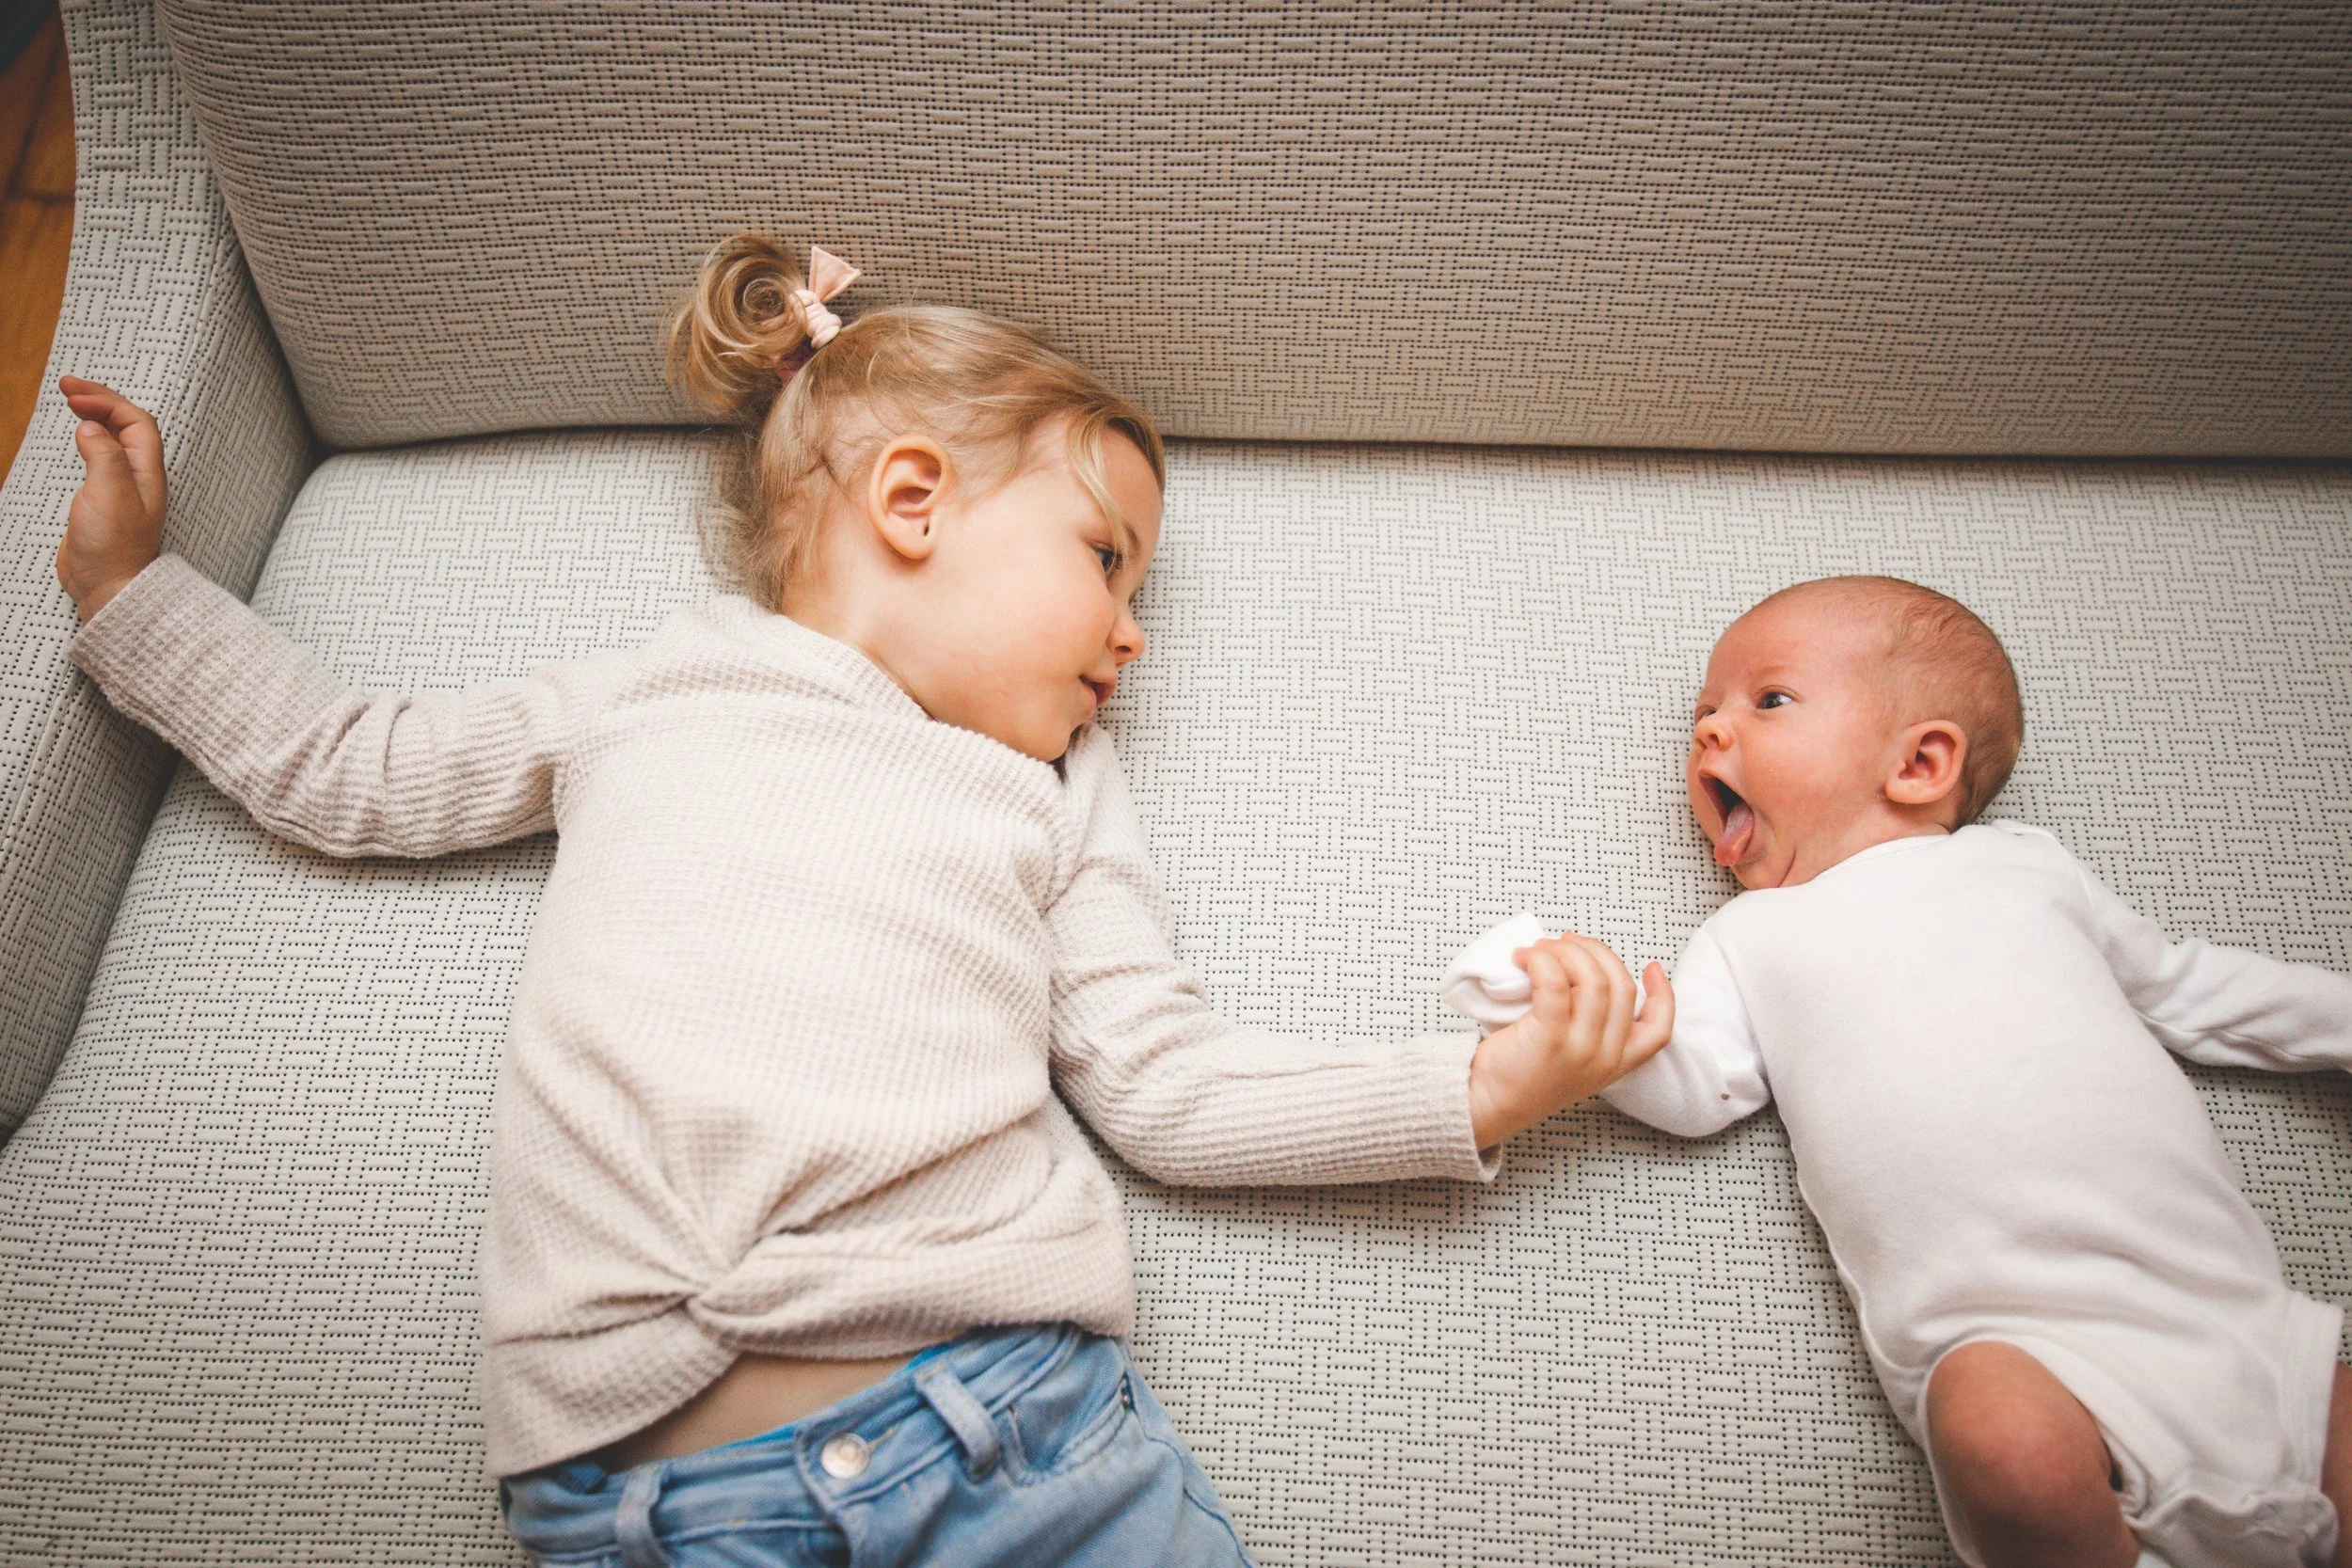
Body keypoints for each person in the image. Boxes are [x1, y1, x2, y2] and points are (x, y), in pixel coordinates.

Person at [52, 235, 1676, 1568]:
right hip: (649, 1505)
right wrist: (136, 596)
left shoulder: (1050, 793)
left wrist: (1468, 1087)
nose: (1133, 635)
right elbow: (361, 766)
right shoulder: (654, 692)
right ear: (912, 501)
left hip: (1021, 1443)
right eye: (1106, 560)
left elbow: (1165, 1085)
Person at [1447, 575, 2352, 1568]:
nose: (1707, 731)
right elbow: (1692, 1085)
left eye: (1766, 699)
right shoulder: (1751, 934)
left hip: (2230, 1318)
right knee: (2000, 1446)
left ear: (1921, 761)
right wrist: (1566, 1018)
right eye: (1702, 712)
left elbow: (2189, 988)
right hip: (2008, 1341)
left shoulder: (2030, 869)